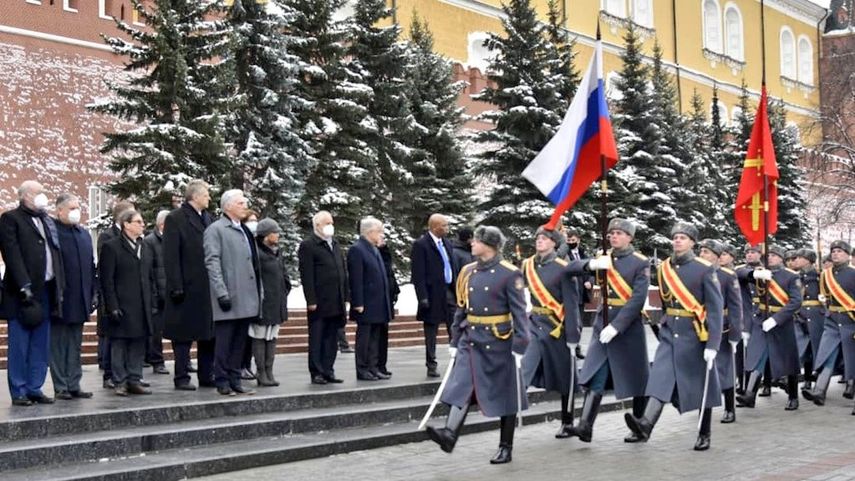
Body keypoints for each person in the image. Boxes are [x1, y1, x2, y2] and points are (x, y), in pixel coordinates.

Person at [425, 226, 529, 464]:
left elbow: (520, 313)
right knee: (461, 384)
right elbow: (463, 307)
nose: (472, 243)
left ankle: (506, 446)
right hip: (470, 338)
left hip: (499, 341)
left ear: (490, 245)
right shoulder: (469, 271)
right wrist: (454, 338)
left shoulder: (510, 274)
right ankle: (449, 434)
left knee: (506, 394)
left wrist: (521, 345)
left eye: (477, 240)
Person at [625, 223, 723, 451]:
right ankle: (646, 425)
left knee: (701, 385)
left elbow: (715, 309)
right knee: (660, 377)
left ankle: (704, 433)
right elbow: (666, 301)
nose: (677, 241)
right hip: (670, 332)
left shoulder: (704, 269)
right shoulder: (664, 268)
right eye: (675, 237)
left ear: (692, 243)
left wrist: (713, 344)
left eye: (683, 237)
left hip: (696, 333)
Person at [564, 218, 650, 443]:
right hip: (602, 324)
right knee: (596, 373)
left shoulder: (640, 263)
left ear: (630, 237)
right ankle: (585, 426)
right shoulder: (604, 259)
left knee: (637, 377)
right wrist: (590, 266)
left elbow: (638, 298)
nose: (614, 236)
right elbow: (568, 268)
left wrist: (617, 326)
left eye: (620, 233)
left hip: (628, 328)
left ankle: (639, 425)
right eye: (611, 233)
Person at [0, 181, 64, 406]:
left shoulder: (46, 221)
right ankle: (18, 390)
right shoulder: (11, 219)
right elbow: (12, 254)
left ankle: (34, 387)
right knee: (19, 343)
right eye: (38, 193)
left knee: (40, 342)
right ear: (25, 195)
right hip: (22, 293)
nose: (42, 197)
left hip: (46, 289)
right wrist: (23, 285)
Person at [520, 226, 580, 438]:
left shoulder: (564, 268)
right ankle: (511, 414)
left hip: (557, 328)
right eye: (537, 237)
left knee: (565, 376)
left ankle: (567, 420)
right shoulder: (527, 265)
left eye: (545, 238)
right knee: (522, 370)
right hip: (534, 325)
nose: (539, 241)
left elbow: (572, 306)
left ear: (555, 243)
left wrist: (573, 337)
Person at [204, 189, 261, 396]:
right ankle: (222, 379)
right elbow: (212, 262)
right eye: (240, 203)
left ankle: (235, 378)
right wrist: (221, 292)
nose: (245, 206)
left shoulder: (244, 230)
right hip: (229, 295)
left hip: (246, 295)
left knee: (239, 341)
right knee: (225, 341)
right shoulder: (216, 229)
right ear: (228, 206)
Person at [163, 180, 216, 391]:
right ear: (194, 196)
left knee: (208, 335)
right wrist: (176, 285)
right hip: (185, 287)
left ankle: (206, 374)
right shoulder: (175, 218)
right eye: (206, 195)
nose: (209, 198)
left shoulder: (209, 219)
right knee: (183, 336)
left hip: (206, 287)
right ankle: (182, 376)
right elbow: (171, 255)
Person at [736, 245, 802, 411]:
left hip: (781, 322)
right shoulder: (761, 273)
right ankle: (749, 394)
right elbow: (738, 274)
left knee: (788, 359)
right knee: (756, 355)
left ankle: (793, 396)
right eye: (768, 255)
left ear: (781, 258)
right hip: (761, 320)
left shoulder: (791, 276)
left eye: (774, 255)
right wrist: (754, 274)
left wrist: (776, 319)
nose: (770, 258)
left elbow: (795, 301)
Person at [99, 209, 153, 396]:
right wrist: (112, 306)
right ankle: (119, 380)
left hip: (141, 305)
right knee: (119, 345)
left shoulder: (144, 246)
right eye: (138, 221)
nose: (142, 224)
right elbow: (107, 280)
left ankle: (134, 379)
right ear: (126, 224)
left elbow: (149, 276)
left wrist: (152, 301)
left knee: (138, 344)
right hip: (122, 305)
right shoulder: (112, 246)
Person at [51, 193, 96, 400]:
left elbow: (90, 266)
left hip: (80, 298)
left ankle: (74, 383)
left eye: (78, 208)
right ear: (59, 210)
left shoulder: (83, 234)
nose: (76, 212)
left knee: (75, 343)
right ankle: (61, 385)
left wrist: (93, 293)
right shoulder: (52, 233)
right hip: (60, 299)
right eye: (71, 208)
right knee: (59, 344)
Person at [803, 241, 855, 407]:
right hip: (832, 320)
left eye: (839, 251)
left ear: (848, 255)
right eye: (833, 251)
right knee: (827, 354)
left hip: (851, 319)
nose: (835, 254)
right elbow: (824, 296)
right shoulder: (826, 275)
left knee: (852, 358)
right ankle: (819, 391)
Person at [298, 210, 348, 385]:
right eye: (327, 223)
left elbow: (342, 270)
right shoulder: (309, 245)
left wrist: (346, 296)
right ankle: (317, 371)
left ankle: (329, 369)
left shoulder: (334, 244)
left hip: (336, 299)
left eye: (332, 223)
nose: (331, 226)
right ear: (317, 226)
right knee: (318, 337)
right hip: (319, 302)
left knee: (332, 338)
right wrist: (310, 300)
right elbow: (307, 275)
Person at [698, 239, 742, 424]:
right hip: (698, 326)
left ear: (716, 257)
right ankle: (703, 407)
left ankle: (729, 407)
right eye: (700, 251)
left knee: (724, 369)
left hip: (722, 327)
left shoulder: (727, 275)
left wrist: (735, 334)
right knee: (701, 370)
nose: (702, 255)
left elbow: (735, 306)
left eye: (707, 252)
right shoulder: (695, 273)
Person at [411, 213, 457, 378]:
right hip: (432, 293)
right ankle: (431, 363)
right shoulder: (421, 245)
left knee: (455, 328)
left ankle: (457, 362)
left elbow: (452, 266)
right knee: (431, 331)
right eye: (444, 225)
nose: (447, 228)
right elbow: (418, 274)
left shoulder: (447, 243)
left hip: (449, 291)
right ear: (435, 227)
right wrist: (422, 296)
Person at [347, 217, 393, 381]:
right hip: (366, 303)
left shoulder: (374, 249)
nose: (382, 235)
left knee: (375, 337)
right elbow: (356, 278)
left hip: (378, 302)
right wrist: (357, 302)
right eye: (379, 231)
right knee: (365, 338)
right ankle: (362, 368)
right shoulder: (357, 250)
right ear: (370, 231)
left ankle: (373, 367)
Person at [97, 200, 135, 389]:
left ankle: (129, 374)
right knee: (110, 338)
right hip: (112, 296)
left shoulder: (136, 239)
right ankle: (109, 373)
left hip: (130, 298)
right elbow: (106, 270)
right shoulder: (107, 237)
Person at [252, 218, 290, 387]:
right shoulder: (256, 253)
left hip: (277, 301)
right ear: (266, 235)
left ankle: (269, 371)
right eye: (275, 232)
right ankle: (261, 372)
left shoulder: (277, 252)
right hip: (263, 303)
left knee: (272, 336)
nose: (278, 235)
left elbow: (283, 273)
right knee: (260, 337)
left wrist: (285, 289)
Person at [793, 248, 825, 392]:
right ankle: (806, 380)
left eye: (799, 257)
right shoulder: (795, 277)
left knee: (816, 349)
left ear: (808, 260)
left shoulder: (819, 276)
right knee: (804, 350)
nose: (796, 260)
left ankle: (819, 382)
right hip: (800, 315)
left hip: (817, 316)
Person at [142, 210, 170, 375]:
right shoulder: (150, 242)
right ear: (162, 225)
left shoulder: (173, 240)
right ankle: (157, 361)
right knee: (156, 332)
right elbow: (148, 270)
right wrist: (153, 294)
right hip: (158, 295)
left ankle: (185, 361)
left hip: (173, 293)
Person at [734, 244, 763, 394]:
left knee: (760, 353)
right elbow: (744, 274)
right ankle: (743, 383)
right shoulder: (740, 269)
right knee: (741, 353)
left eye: (753, 252)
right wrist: (755, 273)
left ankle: (764, 384)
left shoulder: (768, 270)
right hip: (745, 317)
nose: (750, 255)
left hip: (762, 317)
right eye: (748, 253)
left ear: (760, 254)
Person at [561, 227, 592, 360]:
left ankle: (577, 347)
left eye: (573, 240)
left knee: (580, 323)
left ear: (578, 240)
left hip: (582, 292)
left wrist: (590, 281)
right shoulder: (564, 254)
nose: (571, 242)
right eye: (568, 240)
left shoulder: (583, 253)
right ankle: (572, 348)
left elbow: (590, 268)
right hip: (571, 293)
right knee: (572, 322)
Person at [240, 210, 260, 380]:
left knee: (251, 334)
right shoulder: (242, 239)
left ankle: (247, 364)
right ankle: (241, 366)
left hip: (255, 295)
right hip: (243, 293)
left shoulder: (257, 242)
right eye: (250, 220)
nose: (254, 223)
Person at [377, 237, 399, 378]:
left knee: (383, 334)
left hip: (387, 298)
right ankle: (375, 365)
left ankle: (382, 365)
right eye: (380, 235)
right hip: (377, 299)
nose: (383, 238)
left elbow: (389, 272)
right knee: (377, 335)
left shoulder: (384, 252)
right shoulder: (370, 252)